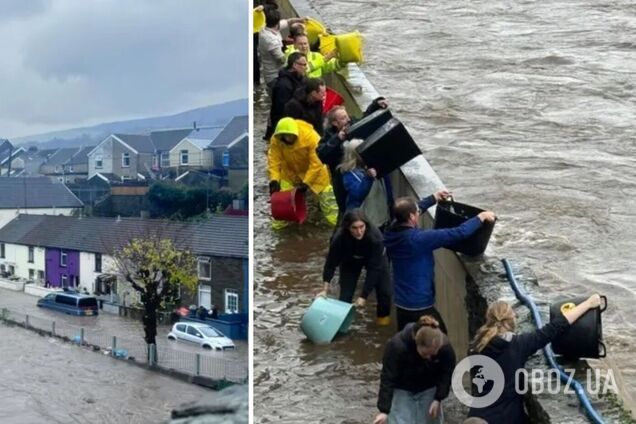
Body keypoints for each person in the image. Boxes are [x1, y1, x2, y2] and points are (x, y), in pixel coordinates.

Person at [466, 294, 602, 424]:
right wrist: (588, 304)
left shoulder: (475, 346)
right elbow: (556, 326)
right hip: (504, 418)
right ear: (511, 319)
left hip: (475, 416)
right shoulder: (519, 345)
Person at [384, 193, 496, 332]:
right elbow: (457, 233)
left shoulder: (391, 232)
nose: (419, 212)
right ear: (412, 217)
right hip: (420, 305)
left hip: (401, 303)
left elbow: (412, 209)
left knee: (407, 343)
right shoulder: (420, 240)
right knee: (441, 341)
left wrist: (434, 198)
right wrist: (480, 217)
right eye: (417, 212)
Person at [317, 99, 390, 221]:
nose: (348, 120)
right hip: (342, 182)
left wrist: (375, 105)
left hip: (362, 174)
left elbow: (365, 120)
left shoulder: (353, 124)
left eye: (347, 116)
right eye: (343, 118)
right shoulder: (328, 138)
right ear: (335, 123)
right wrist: (337, 139)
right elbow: (322, 155)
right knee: (346, 211)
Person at [374, 315, 455, 424]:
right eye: (425, 354)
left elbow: (446, 374)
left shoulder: (445, 349)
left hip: (429, 387)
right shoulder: (396, 346)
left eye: (433, 355)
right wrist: (384, 411)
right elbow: (387, 378)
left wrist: (438, 398)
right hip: (402, 387)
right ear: (416, 342)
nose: (429, 358)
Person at [318, 209, 391, 325]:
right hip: (350, 260)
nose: (359, 231)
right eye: (354, 228)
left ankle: (382, 322)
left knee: (385, 293)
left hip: (373, 260)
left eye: (361, 227)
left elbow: (374, 269)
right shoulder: (339, 238)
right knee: (345, 296)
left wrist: (364, 296)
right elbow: (331, 263)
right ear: (347, 227)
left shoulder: (376, 238)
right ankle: (341, 325)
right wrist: (324, 289)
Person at [267, 117, 338, 228]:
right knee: (281, 203)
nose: (288, 139)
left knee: (328, 199)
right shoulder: (276, 140)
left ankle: (335, 225)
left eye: (291, 136)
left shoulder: (311, 137)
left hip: (316, 173)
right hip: (290, 173)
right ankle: (279, 229)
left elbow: (317, 163)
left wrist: (306, 183)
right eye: (285, 136)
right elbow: (274, 160)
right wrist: (274, 180)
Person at [266, 52, 308, 140]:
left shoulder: (301, 79)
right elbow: (281, 110)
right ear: (295, 65)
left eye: (306, 64)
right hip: (285, 127)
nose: (305, 67)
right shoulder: (283, 85)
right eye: (303, 65)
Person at [337, 138, 377, 211]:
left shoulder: (368, 167)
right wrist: (368, 178)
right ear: (354, 155)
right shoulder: (348, 173)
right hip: (357, 213)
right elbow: (357, 194)